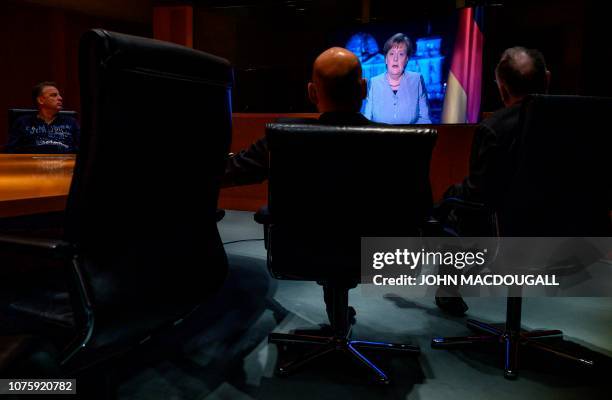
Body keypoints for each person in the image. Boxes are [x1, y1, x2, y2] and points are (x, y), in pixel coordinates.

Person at [435, 47, 551, 315]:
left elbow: (479, 195)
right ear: (547, 78)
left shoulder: (495, 128)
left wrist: (446, 196)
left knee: (451, 207)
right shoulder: (578, 124)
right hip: (574, 233)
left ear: (502, 88)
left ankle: (448, 290)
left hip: (505, 236)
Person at [362, 33, 431, 124]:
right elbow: (367, 119)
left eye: (401, 54)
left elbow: (425, 119)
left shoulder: (417, 80)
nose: (395, 59)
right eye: (391, 54)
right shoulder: (373, 83)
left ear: (406, 59)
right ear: (386, 59)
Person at [6, 82, 79, 153]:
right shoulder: (23, 122)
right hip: (31, 162)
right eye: (54, 95)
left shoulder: (71, 122)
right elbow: (11, 149)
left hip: (65, 162)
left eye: (59, 95)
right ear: (40, 100)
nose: (60, 98)